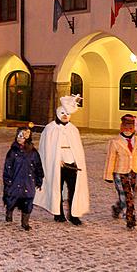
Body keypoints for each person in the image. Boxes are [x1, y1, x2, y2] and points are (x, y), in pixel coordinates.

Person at [35, 95, 89, 225]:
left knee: (73, 189)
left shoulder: (73, 129)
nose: (65, 115)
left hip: (72, 165)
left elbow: (77, 148)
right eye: (62, 113)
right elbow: (46, 148)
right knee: (56, 187)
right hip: (56, 165)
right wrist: (54, 160)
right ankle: (58, 213)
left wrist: (76, 160)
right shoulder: (50, 128)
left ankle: (73, 214)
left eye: (67, 114)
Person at [103, 114, 137, 229]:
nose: (128, 129)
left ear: (134, 128)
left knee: (129, 196)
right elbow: (111, 159)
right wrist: (108, 175)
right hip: (120, 173)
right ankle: (131, 219)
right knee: (128, 197)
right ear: (121, 127)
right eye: (125, 126)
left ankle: (118, 208)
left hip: (135, 173)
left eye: (130, 127)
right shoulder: (115, 142)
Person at [2, 126, 44, 231]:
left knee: (28, 200)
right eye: (18, 136)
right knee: (12, 198)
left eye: (22, 136)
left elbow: (38, 166)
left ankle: (25, 221)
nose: (19, 138)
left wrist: (39, 179)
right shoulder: (12, 152)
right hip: (15, 180)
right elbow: (7, 167)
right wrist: (7, 180)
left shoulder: (33, 152)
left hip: (28, 181)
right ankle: (9, 211)